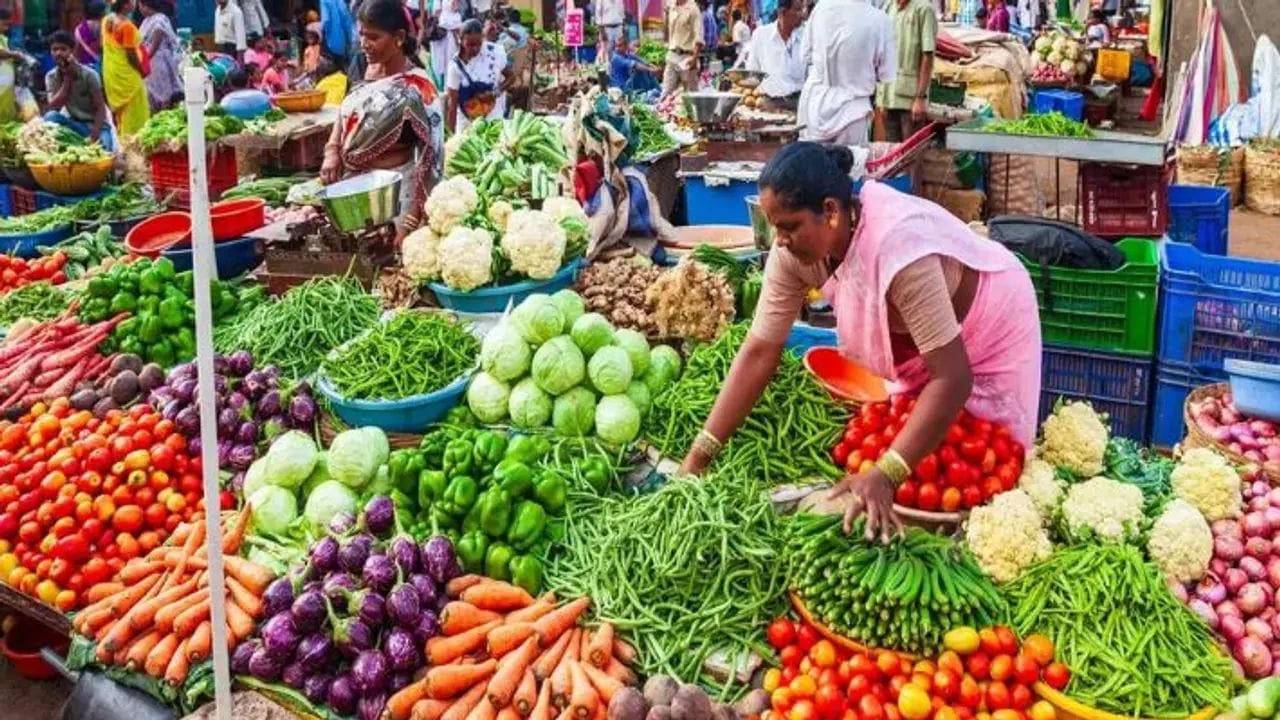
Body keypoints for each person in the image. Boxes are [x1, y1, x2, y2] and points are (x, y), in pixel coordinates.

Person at [678, 143, 1040, 540]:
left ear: (831, 211)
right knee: (924, 455)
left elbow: (953, 378)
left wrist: (885, 473)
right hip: (922, 345)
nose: (779, 240)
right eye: (774, 226)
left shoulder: (897, 246)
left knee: (992, 469)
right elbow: (760, 349)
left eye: (789, 226)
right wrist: (700, 454)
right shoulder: (793, 255)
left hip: (991, 323)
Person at [320, 0, 443, 241]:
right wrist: (332, 151)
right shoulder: (360, 64)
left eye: (373, 37)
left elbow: (433, 156)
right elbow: (345, 110)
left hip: (396, 193)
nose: (364, 44)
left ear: (398, 37)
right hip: (353, 188)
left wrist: (410, 221)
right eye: (362, 35)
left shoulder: (417, 86)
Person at [798, 0, 893, 145]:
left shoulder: (821, 8)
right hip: (853, 110)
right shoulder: (880, 19)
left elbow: (804, 54)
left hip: (816, 105)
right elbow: (887, 73)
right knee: (849, 163)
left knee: (811, 163)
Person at [878, 0, 936, 143]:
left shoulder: (924, 9)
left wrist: (920, 97)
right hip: (888, 94)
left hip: (910, 96)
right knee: (892, 151)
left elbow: (927, 55)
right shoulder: (888, 7)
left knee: (910, 152)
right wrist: (881, 97)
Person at [44, 31, 112, 148]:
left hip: (95, 126)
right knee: (50, 116)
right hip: (74, 124)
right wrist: (68, 78)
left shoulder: (89, 74)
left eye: (63, 49)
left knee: (105, 149)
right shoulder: (51, 76)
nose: (58, 53)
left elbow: (100, 108)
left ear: (72, 51)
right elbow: (54, 104)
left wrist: (94, 136)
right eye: (54, 50)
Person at [445, 19, 509, 132]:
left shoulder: (494, 53)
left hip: (493, 120)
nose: (475, 49)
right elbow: (452, 104)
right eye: (470, 45)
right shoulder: (455, 66)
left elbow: (511, 78)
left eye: (479, 44)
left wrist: (495, 93)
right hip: (467, 124)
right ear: (461, 40)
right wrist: (450, 136)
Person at [741, 0, 806, 101]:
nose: (803, 14)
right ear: (782, 12)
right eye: (798, 10)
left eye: (802, 9)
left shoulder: (806, 37)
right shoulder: (761, 35)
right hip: (768, 104)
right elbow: (752, 72)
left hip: (799, 103)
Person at [102, 0, 150, 136]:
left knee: (121, 113)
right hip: (128, 75)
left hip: (113, 71)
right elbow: (130, 55)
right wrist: (141, 70)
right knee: (135, 110)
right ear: (125, 5)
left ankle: (122, 138)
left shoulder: (107, 20)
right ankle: (132, 140)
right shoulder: (126, 26)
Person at [140, 0, 180, 110]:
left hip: (159, 61)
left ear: (145, 5)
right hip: (150, 62)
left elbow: (155, 44)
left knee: (164, 93)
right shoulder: (146, 20)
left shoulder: (159, 19)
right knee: (152, 93)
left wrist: (145, 60)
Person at [663, 0, 702, 94]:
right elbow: (667, 34)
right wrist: (667, 16)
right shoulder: (671, 7)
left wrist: (694, 58)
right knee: (666, 93)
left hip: (687, 57)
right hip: (672, 55)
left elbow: (699, 36)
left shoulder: (693, 9)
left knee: (691, 94)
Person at [75, 2, 103, 71]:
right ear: (102, 13)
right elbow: (101, 46)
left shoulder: (79, 27)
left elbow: (77, 48)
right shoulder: (103, 27)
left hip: (85, 65)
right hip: (101, 65)